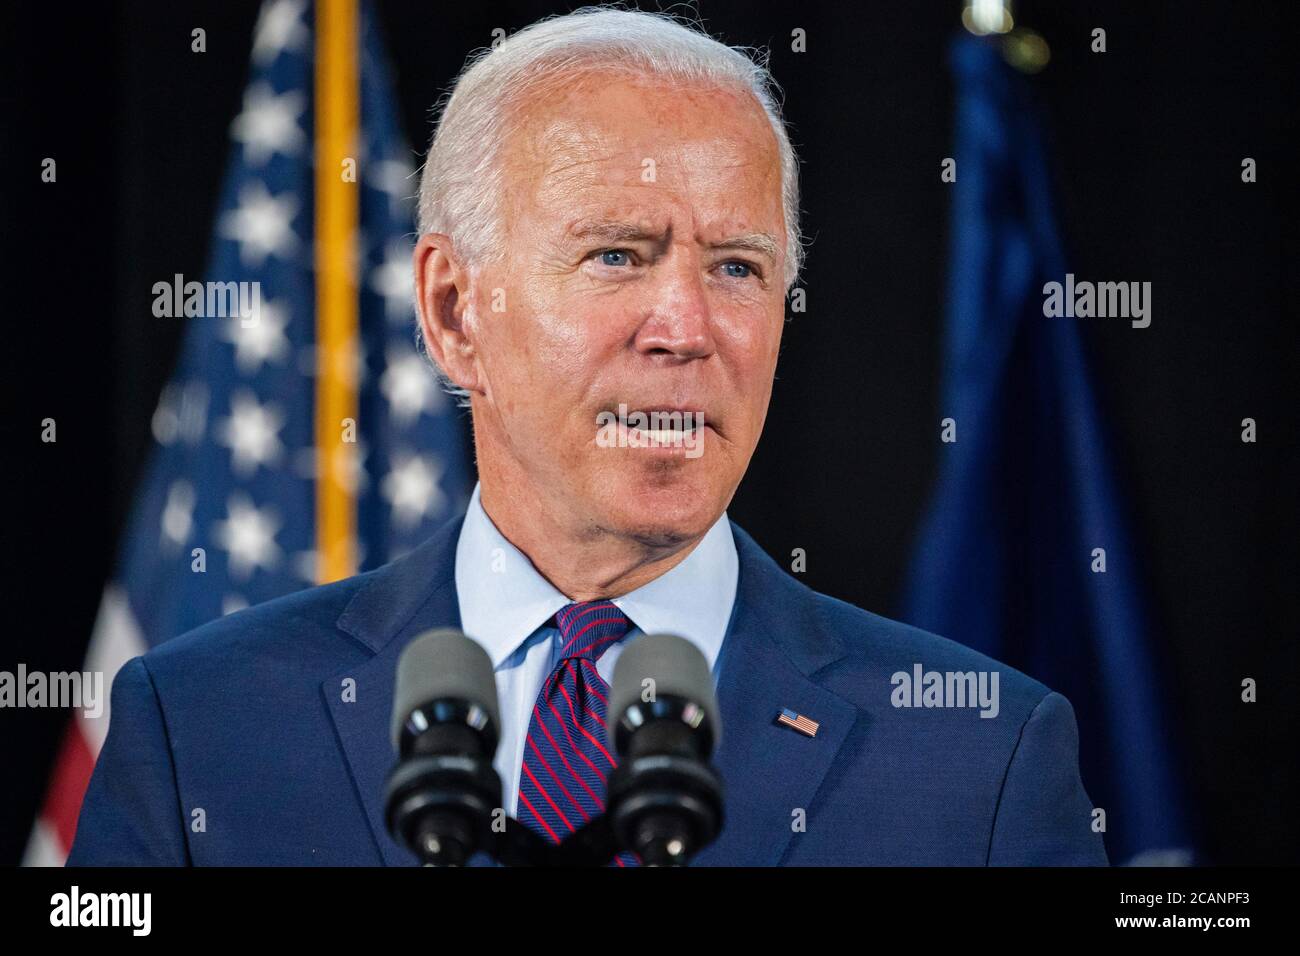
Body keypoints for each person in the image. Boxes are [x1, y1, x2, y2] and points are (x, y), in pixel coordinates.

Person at [70, 6, 1107, 866]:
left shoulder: (978, 760)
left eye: (738, 266)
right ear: (451, 309)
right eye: (618, 254)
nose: (687, 328)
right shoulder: (197, 727)